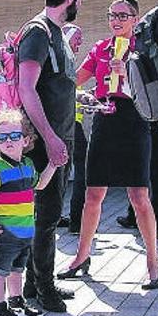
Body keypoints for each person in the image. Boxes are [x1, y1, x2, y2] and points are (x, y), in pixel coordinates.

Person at [57, 0, 158, 290]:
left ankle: (153, 262)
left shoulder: (144, 49)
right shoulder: (100, 49)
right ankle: (81, 257)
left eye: (123, 15)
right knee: (93, 194)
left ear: (135, 19)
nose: (116, 20)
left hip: (135, 120)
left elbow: (152, 91)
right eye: (111, 15)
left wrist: (125, 73)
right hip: (104, 118)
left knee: (139, 197)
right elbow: (74, 80)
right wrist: (81, 94)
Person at [17, 0, 88, 313]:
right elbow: (26, 88)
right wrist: (50, 137)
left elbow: (55, 87)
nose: (80, 4)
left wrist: (84, 100)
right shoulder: (38, 32)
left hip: (60, 138)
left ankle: (35, 282)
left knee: (49, 214)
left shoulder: (58, 33)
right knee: (45, 218)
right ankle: (44, 288)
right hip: (45, 143)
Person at [0, 109, 56, 316]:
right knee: (1, 270)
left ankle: (16, 302)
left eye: (14, 136)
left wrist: (53, 165)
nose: (9, 141)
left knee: (18, 269)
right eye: (2, 137)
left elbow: (39, 184)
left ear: (26, 140)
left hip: (25, 230)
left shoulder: (27, 165)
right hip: (6, 231)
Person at [115, 124, 158, 239]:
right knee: (156, 176)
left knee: (137, 175)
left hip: (141, 129)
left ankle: (138, 218)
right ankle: (154, 223)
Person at [58, 23, 87, 233]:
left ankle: (57, 216)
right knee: (81, 172)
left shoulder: (64, 59)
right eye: (77, 40)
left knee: (60, 172)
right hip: (67, 126)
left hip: (68, 124)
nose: (80, 45)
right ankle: (77, 220)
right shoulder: (63, 60)